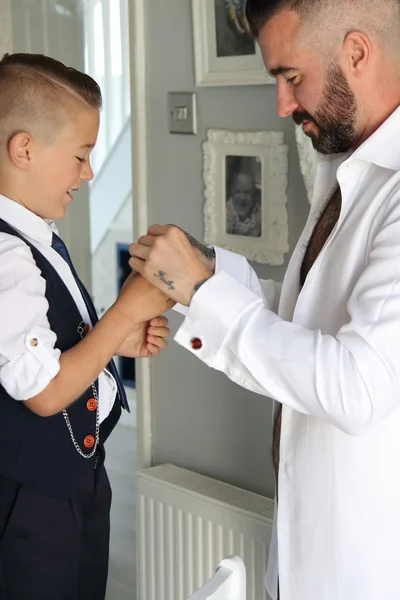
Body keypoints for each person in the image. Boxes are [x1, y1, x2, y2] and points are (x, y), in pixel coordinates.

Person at [128, 0, 400, 598]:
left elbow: (359, 385)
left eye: (290, 77)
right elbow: (306, 316)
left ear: (356, 53)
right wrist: (201, 273)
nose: (281, 104)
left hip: (365, 566)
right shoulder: (348, 169)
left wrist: (202, 292)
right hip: (305, 545)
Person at [0, 53, 173, 600]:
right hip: (30, 500)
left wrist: (112, 343)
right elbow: (45, 392)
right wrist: (125, 309)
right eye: (81, 155)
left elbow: (48, 350)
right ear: (23, 148)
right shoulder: (4, 251)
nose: (89, 172)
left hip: (78, 477)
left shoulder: (37, 233)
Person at [226, 167, 261, 237]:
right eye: (237, 191)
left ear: (254, 193)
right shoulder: (227, 211)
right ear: (231, 191)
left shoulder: (258, 212)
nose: (242, 198)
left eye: (247, 192)